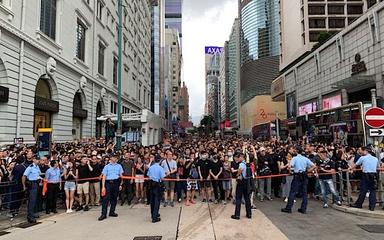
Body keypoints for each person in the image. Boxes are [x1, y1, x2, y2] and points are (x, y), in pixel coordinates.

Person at [281, 146, 316, 214]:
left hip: (297, 175)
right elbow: (314, 166)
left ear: (296, 151)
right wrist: (308, 171)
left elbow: (289, 166)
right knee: (304, 193)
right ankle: (303, 209)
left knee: (292, 192)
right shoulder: (305, 158)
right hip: (304, 175)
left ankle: (288, 208)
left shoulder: (294, 158)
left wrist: (290, 172)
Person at [349, 147, 379, 211]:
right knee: (372, 191)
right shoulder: (375, 159)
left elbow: (355, 165)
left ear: (366, 151)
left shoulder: (363, 158)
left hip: (366, 175)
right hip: (374, 175)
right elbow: (377, 167)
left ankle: (359, 204)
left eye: (362, 151)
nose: (361, 152)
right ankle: (372, 206)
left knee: (363, 190)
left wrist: (350, 169)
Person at [98, 154, 123, 221]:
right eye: (113, 157)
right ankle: (103, 214)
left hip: (116, 183)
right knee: (105, 199)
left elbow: (121, 176)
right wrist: (103, 187)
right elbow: (104, 177)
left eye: (116, 157)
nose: (114, 159)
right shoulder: (106, 166)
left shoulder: (119, 166)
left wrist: (121, 184)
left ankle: (112, 212)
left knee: (114, 198)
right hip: (108, 183)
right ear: (111, 158)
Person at [231, 151, 252, 220]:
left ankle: (237, 215)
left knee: (238, 198)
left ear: (241, 157)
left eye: (238, 157)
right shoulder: (246, 163)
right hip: (247, 182)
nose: (237, 158)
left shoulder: (242, 164)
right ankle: (249, 214)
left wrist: (237, 175)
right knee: (247, 198)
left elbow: (241, 169)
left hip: (241, 182)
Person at [22, 155, 42, 223]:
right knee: (31, 201)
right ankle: (30, 217)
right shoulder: (30, 167)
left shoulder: (37, 167)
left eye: (38, 159)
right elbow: (24, 176)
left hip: (36, 184)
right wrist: (24, 186)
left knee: (35, 200)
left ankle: (32, 213)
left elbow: (39, 174)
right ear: (34, 160)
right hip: (32, 184)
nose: (38, 161)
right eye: (37, 159)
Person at [148, 155, 165, 223]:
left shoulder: (151, 167)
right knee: (157, 201)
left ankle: (153, 214)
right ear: (160, 160)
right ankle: (155, 218)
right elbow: (162, 178)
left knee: (152, 201)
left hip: (151, 184)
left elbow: (148, 176)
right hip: (157, 185)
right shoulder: (160, 168)